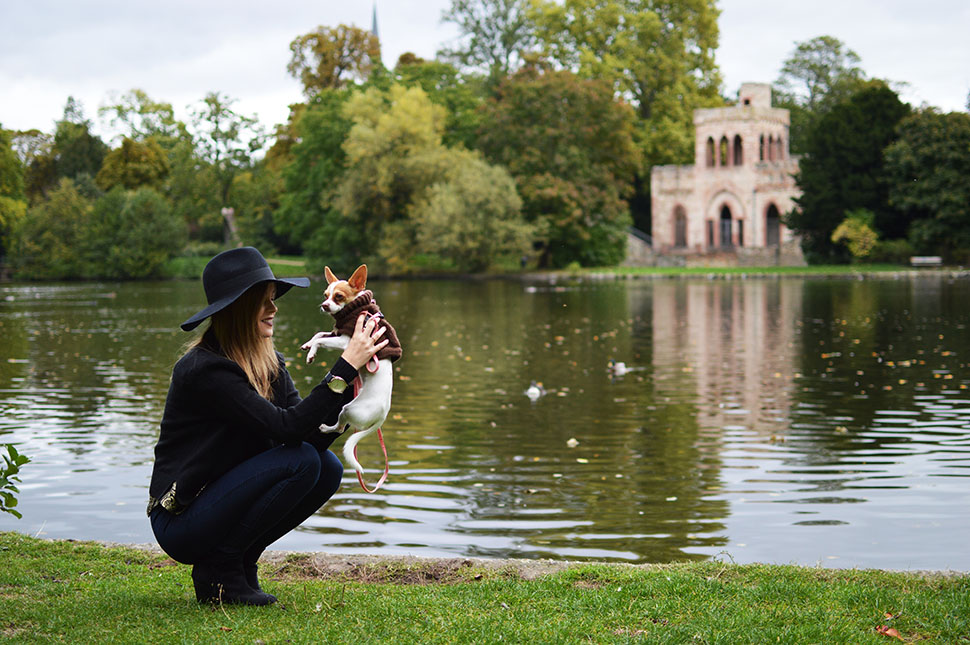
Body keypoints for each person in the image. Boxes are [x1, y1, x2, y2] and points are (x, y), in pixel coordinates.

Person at [147, 247, 388, 605]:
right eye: (265, 301)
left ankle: (241, 563)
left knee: (326, 468)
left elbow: (306, 432)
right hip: (181, 518)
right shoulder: (207, 369)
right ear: (238, 308)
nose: (274, 309)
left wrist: (352, 408)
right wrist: (343, 367)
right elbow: (287, 429)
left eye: (274, 299)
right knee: (303, 461)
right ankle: (220, 571)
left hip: (221, 499)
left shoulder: (268, 361)